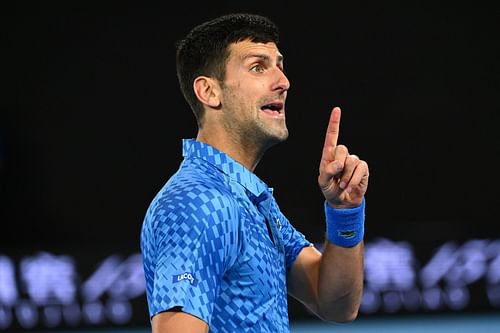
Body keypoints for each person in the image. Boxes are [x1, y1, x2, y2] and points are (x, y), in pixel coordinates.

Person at [140, 13, 369, 333]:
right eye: (258, 67)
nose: (284, 82)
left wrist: (344, 212)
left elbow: (335, 302)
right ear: (209, 92)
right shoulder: (196, 203)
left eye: (279, 65)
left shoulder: (248, 200)